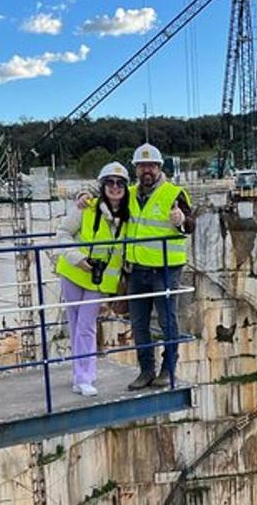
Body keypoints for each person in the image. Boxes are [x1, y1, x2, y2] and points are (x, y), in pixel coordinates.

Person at [55, 162, 129, 396]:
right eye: (110, 182)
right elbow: (63, 233)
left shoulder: (129, 214)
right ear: (103, 185)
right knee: (76, 324)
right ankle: (81, 376)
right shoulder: (86, 207)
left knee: (85, 326)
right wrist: (78, 258)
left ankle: (84, 376)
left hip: (99, 281)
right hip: (74, 272)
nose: (115, 187)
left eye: (119, 183)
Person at [124, 143, 195, 389]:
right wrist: (84, 197)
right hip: (137, 269)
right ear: (135, 169)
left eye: (151, 166)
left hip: (165, 270)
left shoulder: (174, 193)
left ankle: (167, 369)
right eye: (142, 166)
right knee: (138, 323)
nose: (147, 170)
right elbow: (105, 195)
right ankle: (146, 371)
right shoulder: (130, 193)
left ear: (159, 168)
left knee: (167, 321)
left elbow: (191, 224)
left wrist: (181, 220)